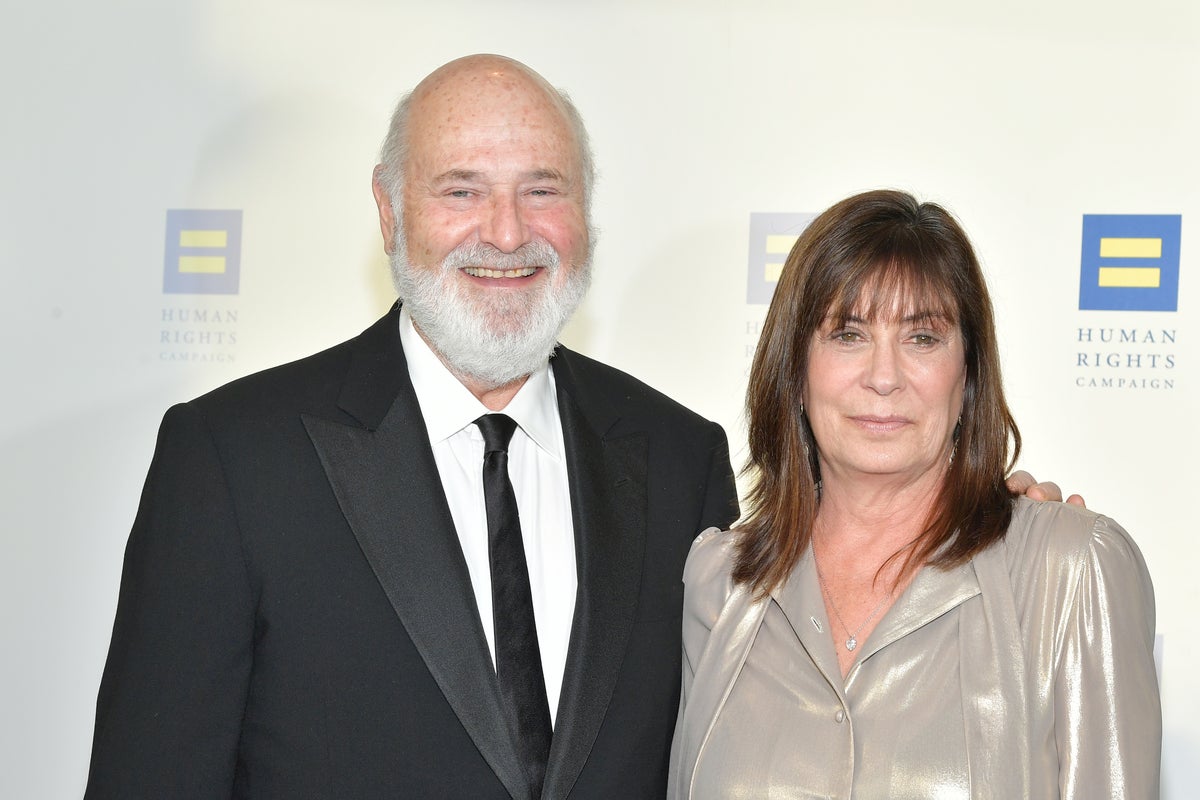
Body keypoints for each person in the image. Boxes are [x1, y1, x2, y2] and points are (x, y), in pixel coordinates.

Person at [86, 57, 1068, 799]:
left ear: (587, 214)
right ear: (389, 210)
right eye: (462, 188)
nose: (507, 232)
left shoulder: (678, 461)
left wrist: (987, 520)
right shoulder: (235, 460)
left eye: (543, 189)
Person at [668, 190, 1159, 798]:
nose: (884, 377)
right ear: (794, 367)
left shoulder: (1071, 571)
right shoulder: (720, 582)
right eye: (848, 334)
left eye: (922, 338)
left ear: (968, 373)